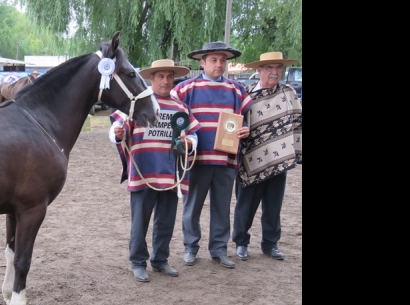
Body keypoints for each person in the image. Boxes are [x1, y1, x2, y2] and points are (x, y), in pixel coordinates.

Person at [109, 60, 201, 282]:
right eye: (160, 76)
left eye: (169, 77)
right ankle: (138, 262)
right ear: (151, 79)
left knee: (165, 221)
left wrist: (189, 142)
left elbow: (193, 134)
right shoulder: (137, 104)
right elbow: (115, 130)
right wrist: (118, 133)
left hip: (170, 174)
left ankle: (160, 260)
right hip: (144, 174)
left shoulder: (180, 108)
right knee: (140, 221)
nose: (165, 81)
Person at [171, 41, 253, 269]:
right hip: (196, 159)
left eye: (223, 60)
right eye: (214, 60)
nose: (219, 65)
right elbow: (173, 118)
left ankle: (219, 249)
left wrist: (246, 128)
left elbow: (246, 117)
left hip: (226, 159)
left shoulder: (236, 89)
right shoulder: (185, 89)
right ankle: (190, 247)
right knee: (192, 206)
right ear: (202, 62)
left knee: (222, 206)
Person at [233, 52, 302, 262]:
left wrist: (296, 152)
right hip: (251, 159)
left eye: (278, 68)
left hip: (279, 158)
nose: (275, 72)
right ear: (259, 70)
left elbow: (298, 122)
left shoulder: (288, 93)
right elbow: (235, 124)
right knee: (245, 206)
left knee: (274, 205)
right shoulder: (245, 96)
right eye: (270, 68)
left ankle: (270, 244)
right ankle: (241, 243)